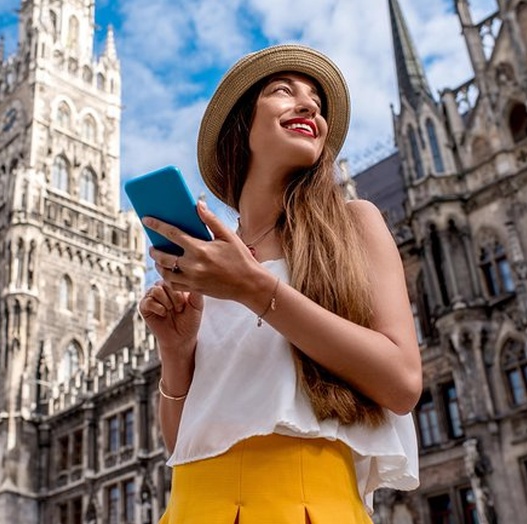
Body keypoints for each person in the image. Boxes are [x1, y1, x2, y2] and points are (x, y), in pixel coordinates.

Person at [138, 44, 421, 523]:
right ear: (242, 127)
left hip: (308, 504)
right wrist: (177, 352)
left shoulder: (355, 224)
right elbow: (182, 444)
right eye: (283, 91)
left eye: (316, 100)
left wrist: (254, 288)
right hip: (191, 506)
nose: (310, 105)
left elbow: (402, 383)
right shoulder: (209, 264)